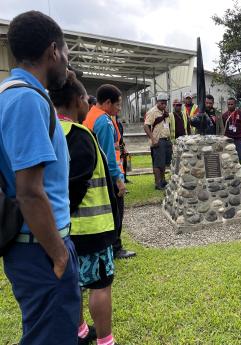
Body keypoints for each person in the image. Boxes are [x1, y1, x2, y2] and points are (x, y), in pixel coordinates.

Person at [0, 11, 80, 344]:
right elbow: (30, 191)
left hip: (35, 247)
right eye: (66, 54)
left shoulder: (10, 94)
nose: (66, 64)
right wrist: (60, 254)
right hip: (42, 250)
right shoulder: (27, 101)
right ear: (53, 51)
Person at [50, 72, 119, 345]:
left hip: (63, 229)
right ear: (80, 99)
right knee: (100, 284)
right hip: (92, 227)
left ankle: (80, 331)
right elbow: (74, 186)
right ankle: (105, 340)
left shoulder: (49, 130)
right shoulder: (79, 135)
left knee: (74, 281)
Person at [84, 84, 136, 260]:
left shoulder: (91, 115)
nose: (119, 108)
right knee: (116, 212)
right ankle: (115, 247)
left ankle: (109, 246)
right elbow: (108, 154)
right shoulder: (104, 122)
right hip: (109, 176)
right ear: (107, 102)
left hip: (97, 174)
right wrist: (118, 180)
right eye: (118, 104)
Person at [144, 93, 173, 189]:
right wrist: (153, 139)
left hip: (166, 139)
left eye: (165, 103)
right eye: (162, 103)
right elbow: (146, 126)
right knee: (157, 163)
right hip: (158, 140)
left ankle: (163, 180)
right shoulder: (152, 112)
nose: (164, 105)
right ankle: (158, 183)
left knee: (164, 162)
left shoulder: (165, 112)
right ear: (157, 102)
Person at [222, 97, 241, 184]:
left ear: (235, 104)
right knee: (229, 159)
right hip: (228, 140)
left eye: (232, 104)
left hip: (239, 139)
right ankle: (232, 178)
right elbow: (224, 126)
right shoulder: (224, 115)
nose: (230, 106)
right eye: (229, 104)